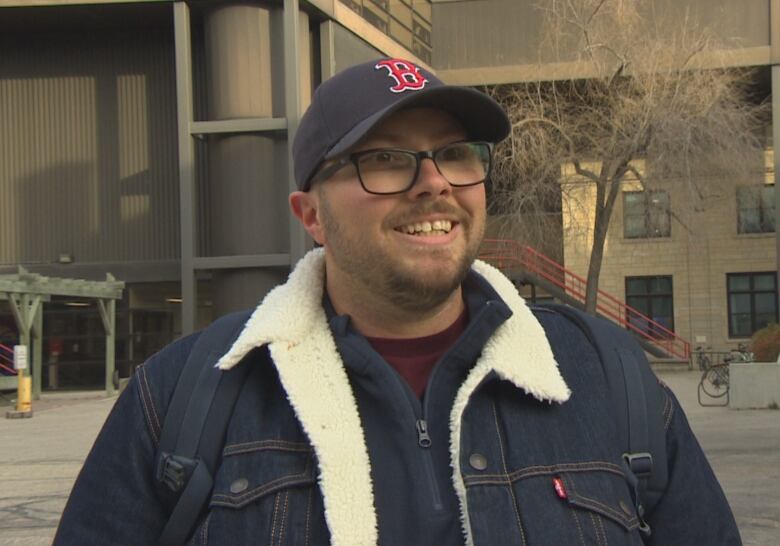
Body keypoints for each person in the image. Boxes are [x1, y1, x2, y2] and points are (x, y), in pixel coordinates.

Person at [55, 58, 740, 545]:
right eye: (385, 159)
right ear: (311, 215)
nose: (433, 184)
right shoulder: (181, 398)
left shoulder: (605, 376)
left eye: (455, 153)